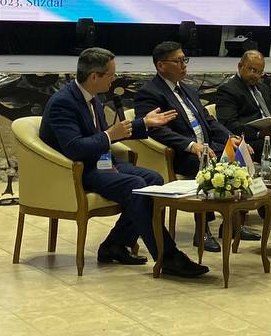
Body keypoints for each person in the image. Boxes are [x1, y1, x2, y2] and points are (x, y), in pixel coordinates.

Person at [39, 47, 208, 278]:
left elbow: (108, 134)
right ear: (94, 76)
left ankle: (115, 244)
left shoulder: (92, 97)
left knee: (153, 179)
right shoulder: (63, 103)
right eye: (111, 75)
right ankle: (167, 256)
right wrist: (109, 135)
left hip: (100, 162)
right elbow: (74, 148)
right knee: (136, 185)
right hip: (76, 170)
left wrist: (144, 123)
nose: (114, 78)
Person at [134, 41, 259, 252]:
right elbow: (155, 130)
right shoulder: (149, 93)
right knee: (204, 164)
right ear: (161, 65)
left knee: (239, 157)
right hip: (179, 154)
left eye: (185, 60)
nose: (184, 65)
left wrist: (231, 138)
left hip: (206, 146)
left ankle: (233, 223)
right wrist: (191, 145)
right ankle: (202, 231)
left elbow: (208, 120)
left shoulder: (188, 89)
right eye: (178, 61)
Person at [214, 50, 271, 233]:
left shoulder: (262, 88)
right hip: (248, 141)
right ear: (240, 66)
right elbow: (228, 124)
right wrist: (259, 133)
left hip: (269, 136)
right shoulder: (228, 90)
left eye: (259, 72)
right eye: (252, 70)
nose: (255, 75)